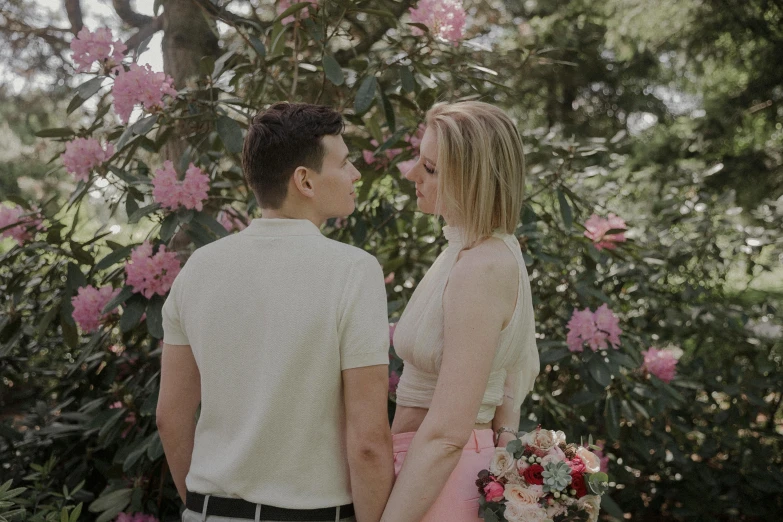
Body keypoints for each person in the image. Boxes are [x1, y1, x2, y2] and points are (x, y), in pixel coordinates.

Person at [157, 102, 394, 522]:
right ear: (304, 180)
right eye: (344, 162)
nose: (356, 174)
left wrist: (202, 506)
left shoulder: (198, 269)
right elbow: (369, 440)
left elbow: (170, 416)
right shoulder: (353, 271)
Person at [381, 101, 540, 522]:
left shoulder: (481, 267)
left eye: (430, 168)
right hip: (431, 473)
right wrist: (505, 437)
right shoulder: (477, 251)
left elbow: (448, 434)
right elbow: (514, 365)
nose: (411, 173)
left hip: (437, 482)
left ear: (473, 180)